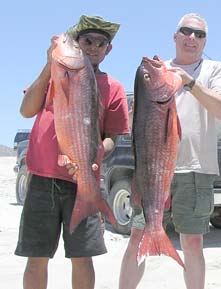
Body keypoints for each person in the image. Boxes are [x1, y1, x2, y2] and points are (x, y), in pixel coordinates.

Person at [15, 15, 129, 289]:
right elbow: (26, 110)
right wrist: (48, 65)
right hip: (42, 179)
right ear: (76, 44)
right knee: (36, 257)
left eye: (101, 43)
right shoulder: (55, 75)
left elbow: (112, 137)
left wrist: (97, 152)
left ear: (108, 50)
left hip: (83, 183)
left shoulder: (113, 88)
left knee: (82, 258)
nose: (93, 47)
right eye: (86, 41)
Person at [118, 13, 221, 289]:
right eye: (186, 31)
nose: (192, 38)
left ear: (205, 41)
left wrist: (190, 83)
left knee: (192, 242)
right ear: (175, 36)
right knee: (137, 236)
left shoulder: (215, 70)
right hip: (150, 169)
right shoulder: (159, 71)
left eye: (200, 34)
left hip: (195, 169)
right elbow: (134, 123)